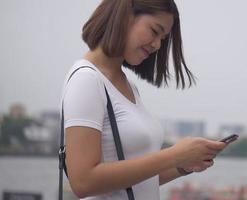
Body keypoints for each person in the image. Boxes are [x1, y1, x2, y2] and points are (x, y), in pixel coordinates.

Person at [61, 0, 227, 199]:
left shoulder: (127, 85)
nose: (157, 45)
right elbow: (83, 182)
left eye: (163, 38)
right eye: (155, 31)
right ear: (125, 16)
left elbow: (134, 182)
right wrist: (174, 155)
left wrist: (182, 165)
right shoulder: (87, 79)